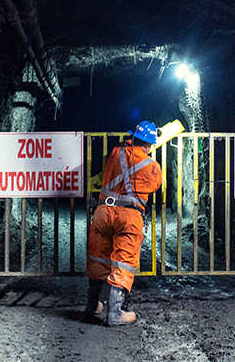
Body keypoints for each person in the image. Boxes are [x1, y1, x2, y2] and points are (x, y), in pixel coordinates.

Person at [84, 121, 162, 326]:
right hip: (128, 216)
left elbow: (123, 153)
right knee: (123, 262)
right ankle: (115, 314)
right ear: (149, 145)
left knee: (98, 258)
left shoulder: (116, 151)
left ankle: (93, 305)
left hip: (102, 211)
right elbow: (155, 184)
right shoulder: (151, 166)